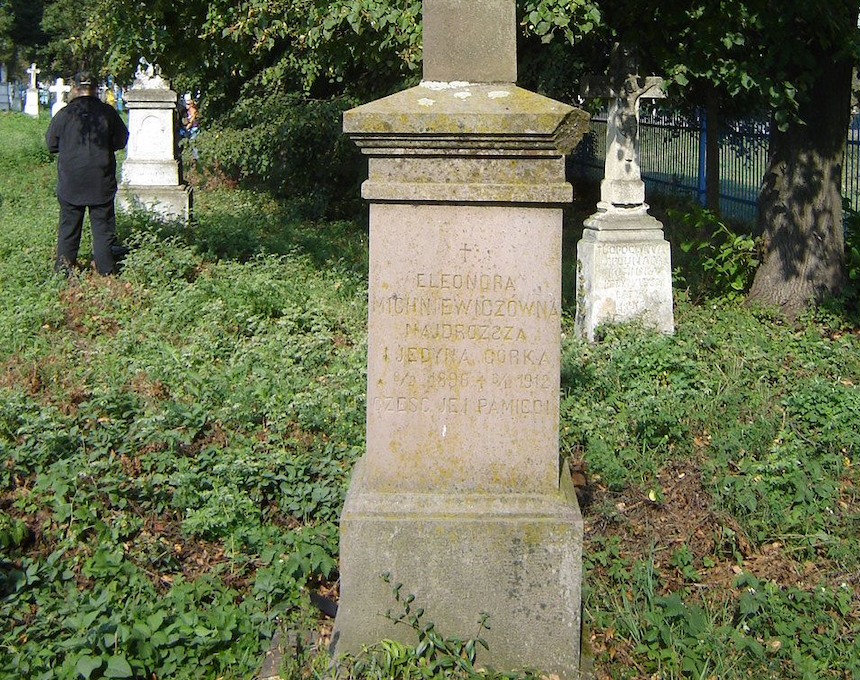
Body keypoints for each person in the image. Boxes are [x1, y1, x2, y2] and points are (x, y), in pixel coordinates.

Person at [45, 70, 129, 276]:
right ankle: (106, 271)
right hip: (101, 179)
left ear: (75, 89)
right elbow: (121, 140)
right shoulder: (108, 113)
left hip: (71, 181)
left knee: (69, 228)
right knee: (103, 228)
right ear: (96, 89)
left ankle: (64, 271)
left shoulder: (64, 114)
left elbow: (51, 145)